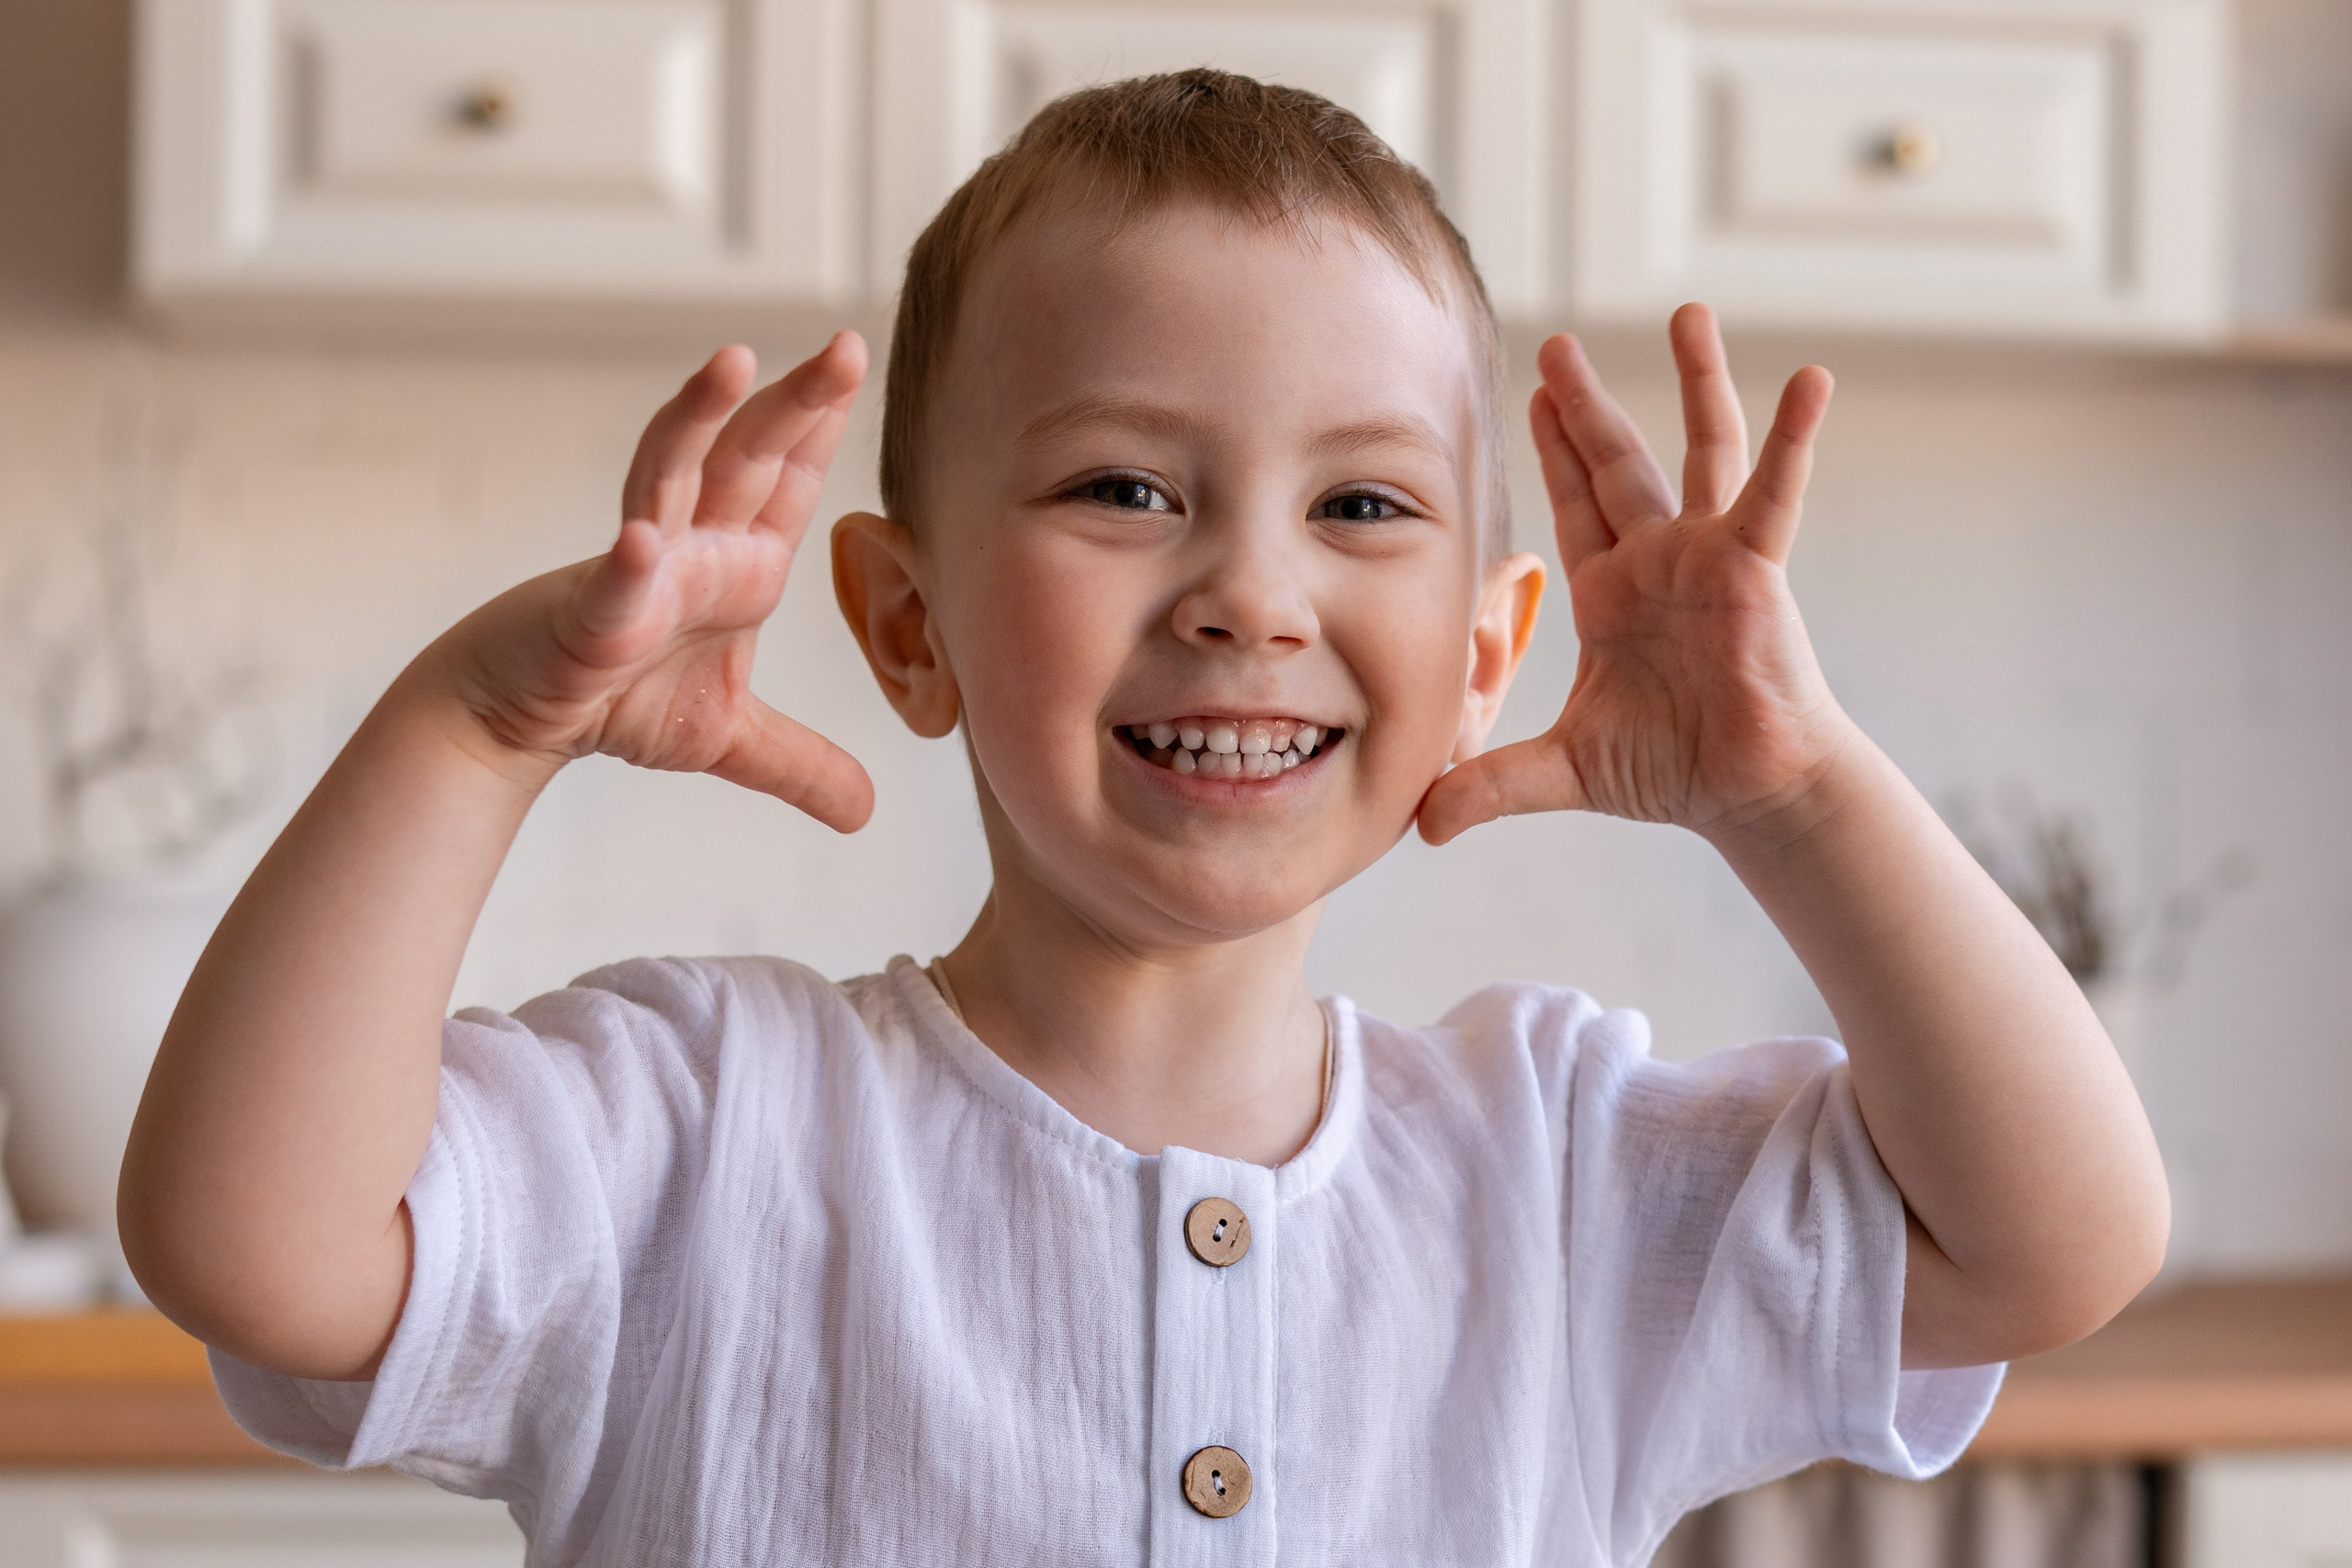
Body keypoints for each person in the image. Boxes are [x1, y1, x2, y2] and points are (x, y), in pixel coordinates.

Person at [118, 70, 2167, 1566]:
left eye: (1359, 503)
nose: (1247, 592)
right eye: (1124, 488)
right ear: (903, 626)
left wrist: (1797, 793)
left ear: (1486, 649)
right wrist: (471, 731)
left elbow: (2054, 1240)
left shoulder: (1558, 1170)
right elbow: (251, 1246)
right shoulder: (698, 1124)